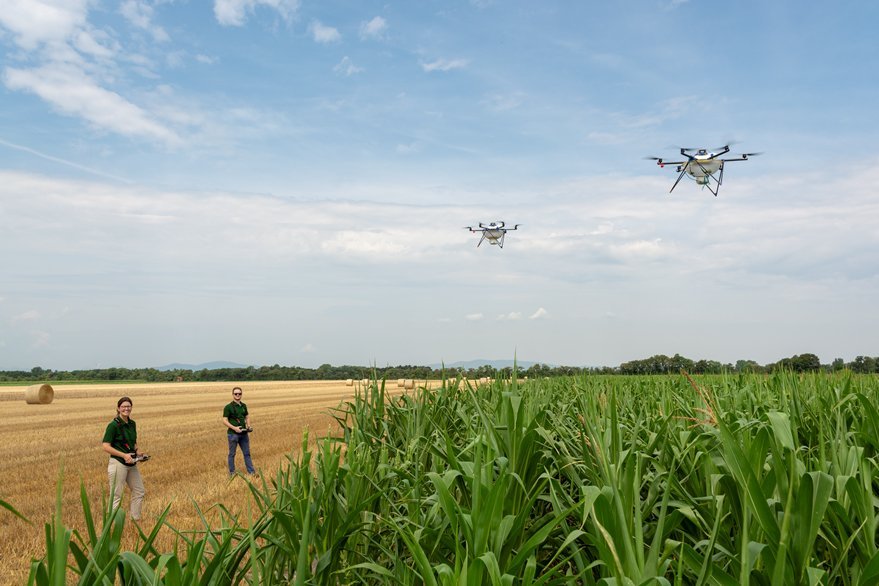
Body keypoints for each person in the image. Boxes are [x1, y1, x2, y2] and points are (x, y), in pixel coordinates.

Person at [101, 396, 145, 520]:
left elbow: (133, 442)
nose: (126, 408)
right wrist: (124, 455)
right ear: (118, 408)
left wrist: (138, 452)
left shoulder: (132, 424)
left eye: (129, 406)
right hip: (118, 463)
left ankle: (135, 519)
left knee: (139, 491)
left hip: (132, 463)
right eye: (124, 406)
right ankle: (113, 523)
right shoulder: (113, 425)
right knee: (116, 495)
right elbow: (105, 446)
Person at [223, 386, 256, 476]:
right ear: (233, 395)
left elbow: (247, 416)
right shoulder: (228, 407)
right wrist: (235, 428)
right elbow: (224, 420)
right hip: (233, 434)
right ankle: (232, 473)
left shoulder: (244, 406)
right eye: (236, 394)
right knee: (232, 454)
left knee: (247, 453)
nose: (238, 395)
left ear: (241, 394)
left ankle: (252, 472)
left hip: (244, 434)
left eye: (239, 394)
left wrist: (248, 426)